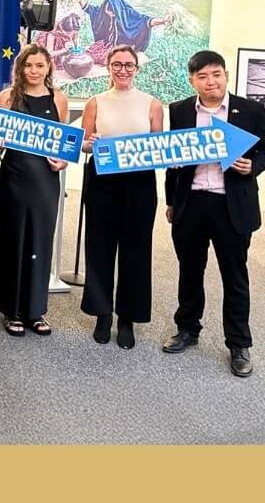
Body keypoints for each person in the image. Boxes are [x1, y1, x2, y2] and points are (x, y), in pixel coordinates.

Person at [163, 50, 265, 377]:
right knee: (189, 270)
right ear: (192, 80)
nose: (210, 82)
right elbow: (174, 160)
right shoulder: (180, 110)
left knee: (235, 275)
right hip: (191, 202)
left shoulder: (250, 110)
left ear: (225, 75)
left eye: (216, 74)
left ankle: (239, 343)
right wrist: (171, 200)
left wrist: (252, 166)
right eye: (202, 76)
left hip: (232, 205)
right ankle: (187, 328)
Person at [80, 45, 163, 349]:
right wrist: (91, 143)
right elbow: (83, 144)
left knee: (136, 250)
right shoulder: (95, 102)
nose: (123, 70)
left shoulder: (152, 104)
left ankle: (127, 318)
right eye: (117, 64)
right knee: (99, 247)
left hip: (139, 184)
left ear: (137, 68)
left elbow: (159, 148)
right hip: (102, 181)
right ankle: (102, 313)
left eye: (129, 65)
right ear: (108, 67)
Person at [0, 44, 69, 338]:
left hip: (45, 181)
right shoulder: (7, 97)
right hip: (13, 178)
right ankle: (11, 309)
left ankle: (35, 310)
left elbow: (64, 143)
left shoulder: (58, 99)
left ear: (48, 67)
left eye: (40, 65)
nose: (34, 71)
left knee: (40, 242)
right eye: (28, 65)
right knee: (13, 241)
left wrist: (63, 160)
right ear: (20, 68)